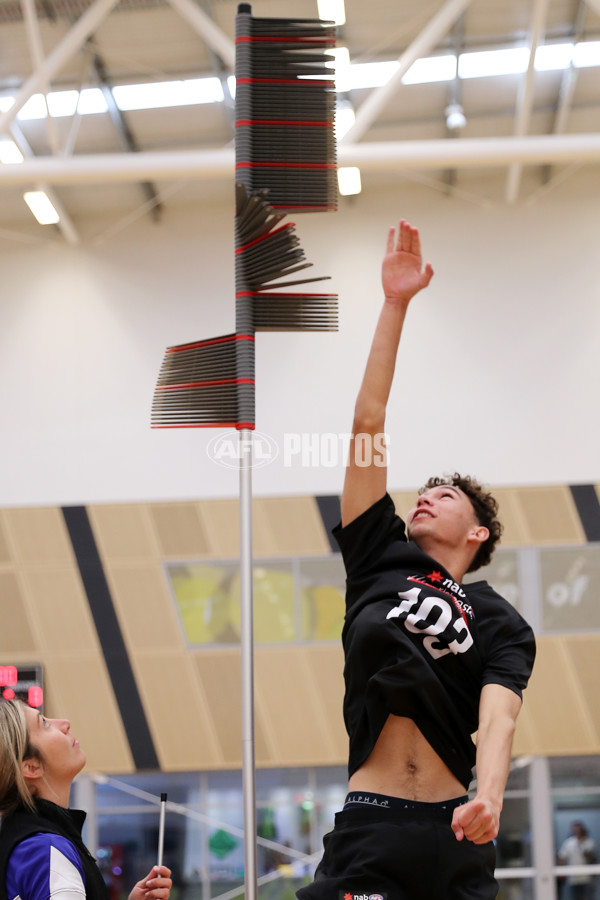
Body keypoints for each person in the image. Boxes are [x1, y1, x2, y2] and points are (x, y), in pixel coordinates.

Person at [297, 219, 536, 900]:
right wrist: (394, 304)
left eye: (447, 493)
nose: (427, 496)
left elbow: (498, 719)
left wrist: (488, 796)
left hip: (455, 830)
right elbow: (368, 425)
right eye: (424, 489)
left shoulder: (499, 620)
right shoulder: (380, 556)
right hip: (370, 826)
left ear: (479, 535)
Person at [0, 699, 173, 900]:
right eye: (45, 724)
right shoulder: (44, 850)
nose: (65, 723)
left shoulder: (23, 841)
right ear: (31, 767)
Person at [558, 821, 597, 900]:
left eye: (579, 829)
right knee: (576, 897)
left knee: (588, 897)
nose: (577, 831)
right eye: (575, 829)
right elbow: (562, 857)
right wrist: (561, 871)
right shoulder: (569, 842)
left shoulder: (589, 842)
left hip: (587, 877)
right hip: (574, 877)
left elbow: (593, 858)